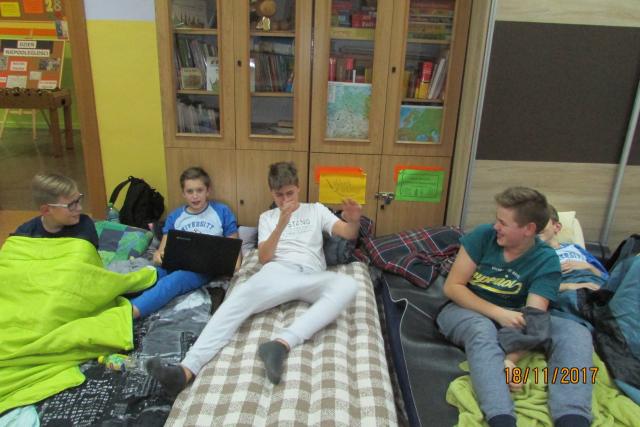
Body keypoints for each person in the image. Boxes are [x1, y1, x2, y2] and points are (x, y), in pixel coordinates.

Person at [147, 161, 360, 393]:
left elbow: (348, 233)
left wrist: (354, 220)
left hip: (312, 274)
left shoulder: (316, 210)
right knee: (235, 302)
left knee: (348, 285)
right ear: (272, 193)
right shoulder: (267, 217)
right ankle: (186, 370)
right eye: (279, 195)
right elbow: (265, 258)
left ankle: (281, 344)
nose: (285, 200)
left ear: (298, 187)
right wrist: (281, 224)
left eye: (290, 193)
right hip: (278, 271)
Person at [436, 187, 593, 427]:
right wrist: (498, 313)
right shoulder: (483, 236)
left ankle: (573, 417)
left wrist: (511, 359)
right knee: (482, 330)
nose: (495, 226)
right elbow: (453, 287)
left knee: (576, 333)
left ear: (528, 229)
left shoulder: (546, 259)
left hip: (517, 317)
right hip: (467, 309)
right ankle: (501, 417)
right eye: (496, 219)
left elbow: (535, 318)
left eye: (503, 223)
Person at [130, 166, 239, 319]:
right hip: (174, 263)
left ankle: (130, 313)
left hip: (202, 269)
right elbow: (162, 250)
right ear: (183, 193)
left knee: (174, 281)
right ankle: (113, 301)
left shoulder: (222, 211)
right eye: (190, 191)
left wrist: (234, 268)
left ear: (208, 191)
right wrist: (158, 256)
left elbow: (233, 250)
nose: (195, 196)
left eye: (199, 190)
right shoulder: (176, 216)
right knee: (148, 276)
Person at [13, 173, 98, 248]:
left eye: (78, 200)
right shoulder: (24, 235)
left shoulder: (85, 225)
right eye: (71, 205)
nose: (80, 208)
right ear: (46, 210)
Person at [539, 204, 608, 292]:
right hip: (566, 287)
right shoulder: (531, 255)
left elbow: (607, 278)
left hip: (596, 283)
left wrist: (589, 267)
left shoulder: (575, 248)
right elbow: (530, 287)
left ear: (557, 227)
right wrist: (569, 286)